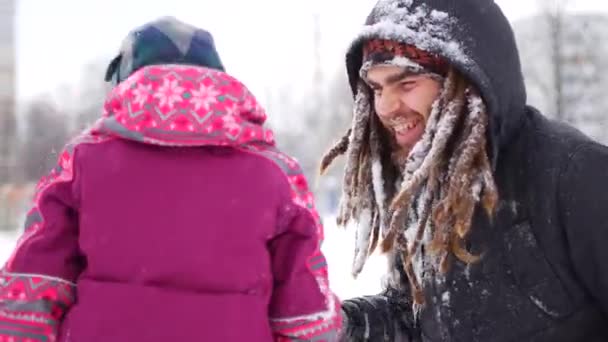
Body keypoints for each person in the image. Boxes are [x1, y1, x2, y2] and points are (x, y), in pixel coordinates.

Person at [0, 17, 341, 341]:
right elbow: (307, 316)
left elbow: (29, 292)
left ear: (126, 78)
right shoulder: (275, 173)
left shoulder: (84, 160)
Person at [319, 0, 608, 340]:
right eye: (377, 88)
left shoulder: (575, 175)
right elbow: (412, 317)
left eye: (406, 83)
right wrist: (338, 327)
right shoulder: (422, 190)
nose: (384, 107)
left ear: (467, 78)